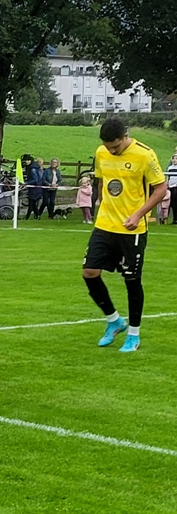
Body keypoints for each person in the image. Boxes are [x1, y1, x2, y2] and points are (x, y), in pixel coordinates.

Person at [81, 117, 167, 353]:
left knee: (131, 280)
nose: (111, 151)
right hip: (105, 225)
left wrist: (138, 214)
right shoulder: (101, 152)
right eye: (108, 147)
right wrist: (100, 204)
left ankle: (133, 335)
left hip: (132, 230)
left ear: (125, 136)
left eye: (115, 146)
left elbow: (161, 189)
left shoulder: (145, 155)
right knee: (89, 272)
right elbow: (101, 182)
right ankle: (114, 321)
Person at [24, 155, 45, 220]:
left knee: (31, 204)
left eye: (28, 160)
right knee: (33, 204)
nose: (26, 162)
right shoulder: (33, 168)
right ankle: (37, 215)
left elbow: (35, 180)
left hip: (35, 189)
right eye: (26, 160)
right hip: (35, 188)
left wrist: (26, 183)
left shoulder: (33, 169)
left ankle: (27, 217)